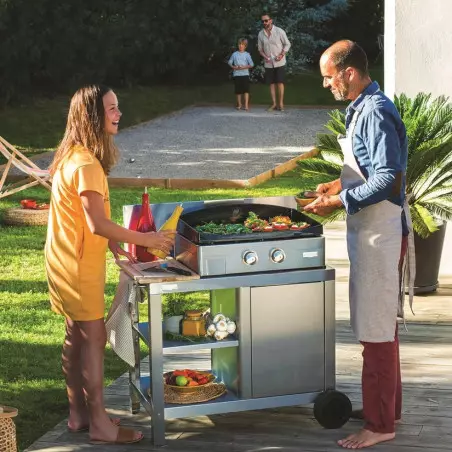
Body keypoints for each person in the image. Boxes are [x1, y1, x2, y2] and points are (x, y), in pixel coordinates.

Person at [45, 85, 175, 445]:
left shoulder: (73, 156)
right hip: (77, 267)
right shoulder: (87, 164)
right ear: (92, 116)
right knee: (93, 338)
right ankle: (100, 424)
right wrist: (147, 240)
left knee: (75, 336)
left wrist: (113, 241)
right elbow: (96, 223)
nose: (119, 114)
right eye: (112, 108)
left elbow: (81, 216)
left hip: (63, 260)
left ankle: (79, 414)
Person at [303, 40, 414, 449]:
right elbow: (368, 166)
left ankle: (380, 425)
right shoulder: (361, 107)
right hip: (370, 234)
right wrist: (337, 183)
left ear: (349, 72)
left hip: (380, 235)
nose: (326, 84)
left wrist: (339, 201)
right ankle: (387, 409)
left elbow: (388, 178)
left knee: (377, 333)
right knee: (380, 327)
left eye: (329, 77)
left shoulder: (376, 111)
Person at [257, 13, 291, 112]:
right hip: (268, 63)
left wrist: (281, 55)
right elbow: (260, 49)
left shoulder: (279, 31)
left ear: (271, 20)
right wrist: (265, 57)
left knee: (280, 82)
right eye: (262, 21)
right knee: (271, 83)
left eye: (266, 20)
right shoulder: (261, 34)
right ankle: (274, 104)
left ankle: (281, 104)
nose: (264, 22)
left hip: (280, 62)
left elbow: (287, 44)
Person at [228, 38, 254, 111]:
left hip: (245, 74)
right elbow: (230, 62)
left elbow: (251, 64)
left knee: (246, 90)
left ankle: (246, 105)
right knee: (238, 91)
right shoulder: (234, 54)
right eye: (239, 44)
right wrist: (234, 67)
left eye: (242, 44)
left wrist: (244, 67)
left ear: (245, 46)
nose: (241, 46)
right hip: (237, 74)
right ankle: (239, 104)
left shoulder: (247, 54)